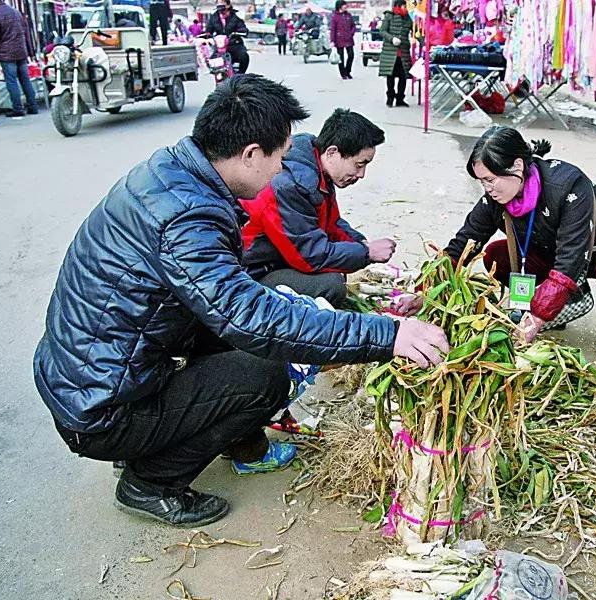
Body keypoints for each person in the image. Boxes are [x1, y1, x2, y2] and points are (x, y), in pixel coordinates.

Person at [33, 75, 449, 528]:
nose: (281, 171)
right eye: (280, 159)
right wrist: (388, 334)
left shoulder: (173, 172)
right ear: (251, 153)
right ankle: (150, 482)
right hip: (101, 407)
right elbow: (251, 317)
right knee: (266, 376)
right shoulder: (188, 216)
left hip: (92, 374)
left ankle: (206, 440)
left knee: (252, 339)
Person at [444, 126, 596, 367]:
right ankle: (559, 310)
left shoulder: (568, 185)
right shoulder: (494, 198)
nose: (486, 189)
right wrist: (430, 284)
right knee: (496, 255)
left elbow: (572, 255)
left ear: (517, 166)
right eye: (481, 181)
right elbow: (465, 242)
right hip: (553, 249)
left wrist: (538, 317)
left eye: (490, 179)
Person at [241, 109, 398, 308]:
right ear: (332, 152)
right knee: (331, 285)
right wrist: (366, 253)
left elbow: (332, 224)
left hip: (277, 260)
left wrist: (361, 242)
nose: (361, 174)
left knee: (337, 269)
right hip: (251, 274)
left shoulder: (316, 168)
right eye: (359, 164)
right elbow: (309, 257)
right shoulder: (290, 184)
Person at [0, 0, 38, 118]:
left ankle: (18, 108)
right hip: (21, 51)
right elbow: (25, 32)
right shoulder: (16, 12)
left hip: (6, 53)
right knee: (25, 80)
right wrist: (30, 51)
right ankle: (33, 105)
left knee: (11, 81)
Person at [378, 0, 412, 107]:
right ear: (398, 6)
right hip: (390, 52)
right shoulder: (389, 16)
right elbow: (382, 31)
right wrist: (391, 38)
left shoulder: (408, 18)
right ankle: (390, 98)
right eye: (404, 5)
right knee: (390, 76)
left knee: (403, 76)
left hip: (404, 53)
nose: (406, 7)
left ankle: (400, 99)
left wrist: (424, 43)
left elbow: (416, 32)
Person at [207, 0, 250, 73]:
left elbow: (243, 28)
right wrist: (206, 35)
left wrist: (240, 32)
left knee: (244, 56)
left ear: (228, 5)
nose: (220, 5)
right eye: (218, 3)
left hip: (234, 43)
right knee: (210, 59)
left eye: (222, 3)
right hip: (219, 46)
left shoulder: (236, 16)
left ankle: (240, 75)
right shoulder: (214, 17)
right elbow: (208, 30)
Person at [329, 0, 355, 80]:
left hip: (349, 38)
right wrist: (332, 41)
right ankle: (343, 73)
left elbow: (353, 26)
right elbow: (333, 29)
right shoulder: (335, 16)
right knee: (341, 58)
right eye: (344, 5)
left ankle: (348, 71)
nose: (346, 6)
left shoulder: (348, 15)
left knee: (351, 55)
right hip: (339, 39)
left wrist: (351, 33)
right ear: (340, 6)